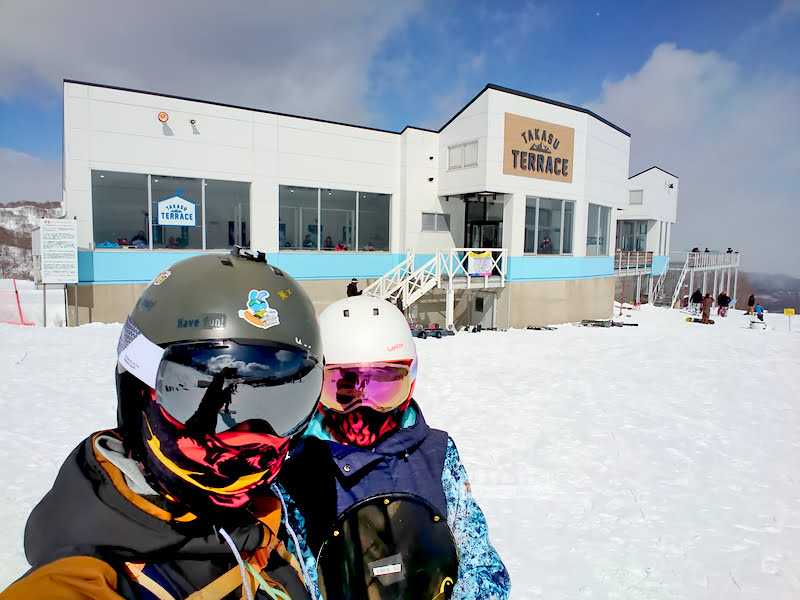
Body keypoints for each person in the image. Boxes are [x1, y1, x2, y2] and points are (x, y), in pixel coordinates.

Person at [1, 248, 324, 600]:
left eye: (287, 402)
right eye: (187, 392)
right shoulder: (91, 580)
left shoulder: (264, 528)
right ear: (138, 393)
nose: (248, 438)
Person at [279, 295, 510, 599]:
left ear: (409, 380)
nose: (364, 406)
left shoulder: (436, 453)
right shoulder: (295, 468)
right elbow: (294, 579)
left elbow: (481, 563)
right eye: (344, 388)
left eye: (383, 386)